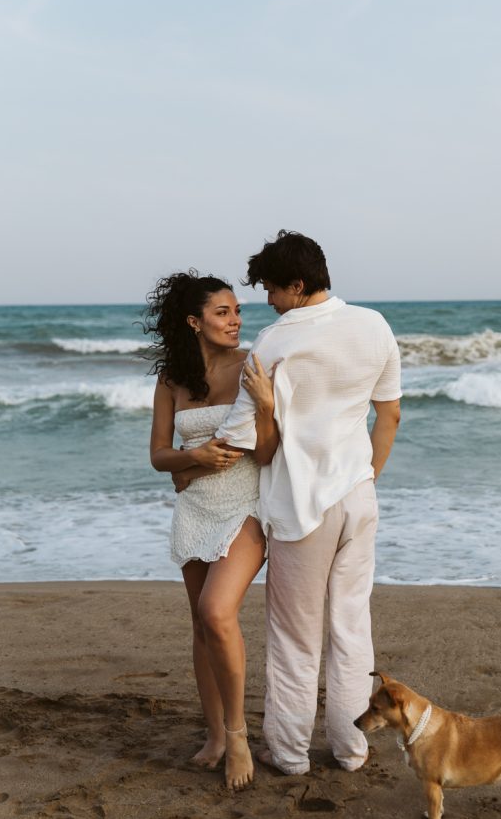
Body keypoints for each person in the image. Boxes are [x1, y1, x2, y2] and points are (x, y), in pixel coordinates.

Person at [216, 231, 402, 775]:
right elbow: (388, 416)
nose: (267, 300)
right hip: (358, 498)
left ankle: (292, 754)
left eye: (272, 288)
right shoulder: (374, 325)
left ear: (297, 285)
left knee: (295, 639)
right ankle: (351, 749)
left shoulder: (275, 342)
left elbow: (237, 437)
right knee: (351, 628)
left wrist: (189, 456)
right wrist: (367, 477)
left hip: (303, 508)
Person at [144, 271, 279, 790]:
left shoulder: (252, 366)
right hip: (195, 509)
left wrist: (265, 407)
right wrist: (190, 460)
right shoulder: (170, 380)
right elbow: (158, 456)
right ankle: (217, 735)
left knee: (216, 613)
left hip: (244, 504)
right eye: (223, 313)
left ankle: (240, 735)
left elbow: (263, 451)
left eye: (238, 312)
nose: (236, 321)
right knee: (201, 628)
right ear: (194, 321)